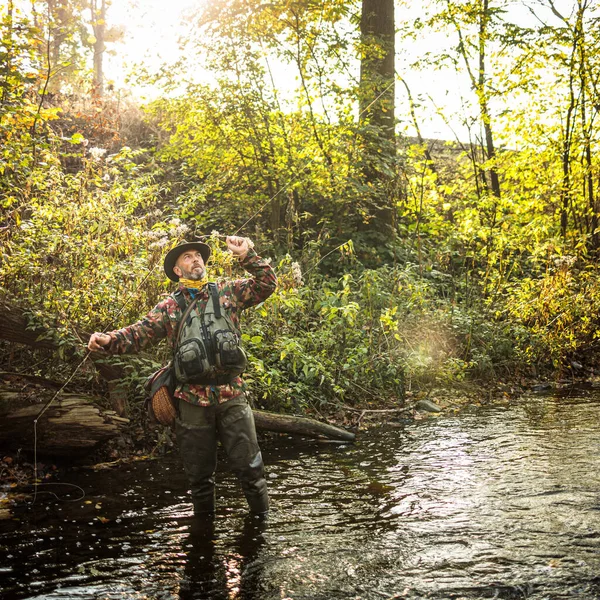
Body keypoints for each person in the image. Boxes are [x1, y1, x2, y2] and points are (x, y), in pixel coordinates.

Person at [87, 236, 277, 517]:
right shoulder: (169, 307)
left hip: (232, 396)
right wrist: (107, 340)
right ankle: (204, 547)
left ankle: (261, 535)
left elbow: (266, 284)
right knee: (200, 480)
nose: (195, 259)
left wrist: (247, 254)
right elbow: (138, 334)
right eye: (187, 257)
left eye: (197, 255)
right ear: (177, 270)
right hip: (190, 400)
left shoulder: (228, 292)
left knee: (251, 472)